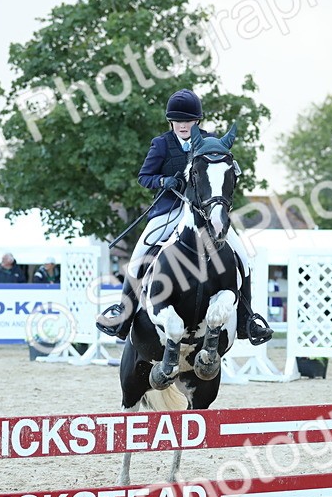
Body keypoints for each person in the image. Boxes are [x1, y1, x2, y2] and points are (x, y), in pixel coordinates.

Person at [96, 89, 273, 345]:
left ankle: (247, 318)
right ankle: (123, 315)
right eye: (178, 121)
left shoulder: (211, 141)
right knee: (138, 256)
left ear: (197, 121)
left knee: (241, 257)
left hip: (205, 213)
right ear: (171, 122)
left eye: (188, 121)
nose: (183, 125)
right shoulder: (161, 144)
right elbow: (144, 177)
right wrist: (163, 181)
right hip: (169, 211)